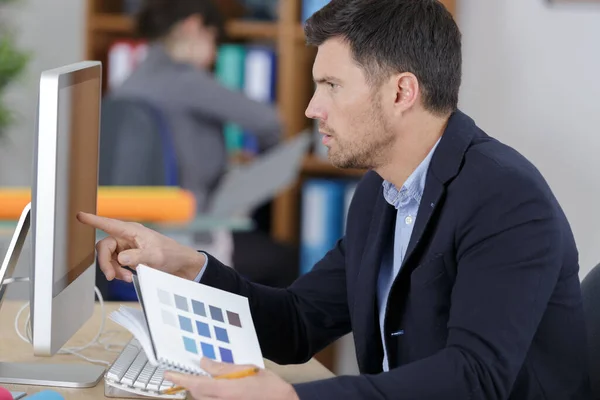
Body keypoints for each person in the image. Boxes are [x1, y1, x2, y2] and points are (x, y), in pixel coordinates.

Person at [79, 0, 593, 398]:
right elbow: (299, 322)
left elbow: (475, 379)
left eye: (330, 85)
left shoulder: (506, 199)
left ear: (400, 92)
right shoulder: (380, 192)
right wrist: (189, 266)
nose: (310, 108)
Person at [102, 0, 298, 289]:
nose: (215, 54)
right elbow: (270, 123)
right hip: (186, 236)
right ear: (193, 26)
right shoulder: (185, 80)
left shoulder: (127, 84)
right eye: (214, 40)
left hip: (133, 239)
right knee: (284, 259)